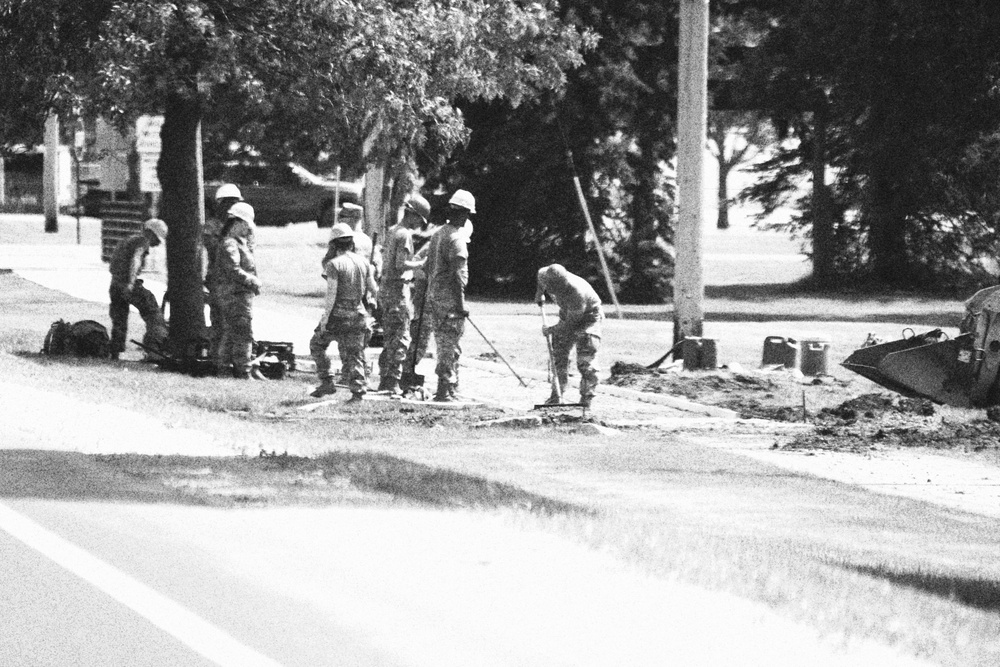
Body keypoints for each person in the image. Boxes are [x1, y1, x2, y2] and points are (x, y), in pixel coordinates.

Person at [310, 222, 379, 401]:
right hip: (358, 315)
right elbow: (374, 289)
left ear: (333, 244)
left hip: (338, 317)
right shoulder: (364, 262)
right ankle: (358, 393)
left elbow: (331, 294)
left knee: (317, 345)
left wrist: (325, 319)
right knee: (355, 354)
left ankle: (327, 380)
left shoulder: (333, 265)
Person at [424, 189, 475, 402]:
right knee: (449, 346)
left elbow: (428, 267)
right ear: (462, 213)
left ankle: (449, 387)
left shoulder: (438, 234)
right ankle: (445, 389)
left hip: (436, 297)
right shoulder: (456, 239)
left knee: (444, 342)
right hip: (450, 300)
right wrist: (461, 304)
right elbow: (456, 275)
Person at [376, 194, 430, 394]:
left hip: (387, 289)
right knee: (401, 337)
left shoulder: (392, 231)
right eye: (419, 220)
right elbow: (401, 264)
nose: (419, 225)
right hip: (398, 290)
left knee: (390, 336)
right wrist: (421, 264)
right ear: (413, 215)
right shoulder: (404, 234)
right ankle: (392, 383)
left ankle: (385, 380)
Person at [535, 263, 604, 407]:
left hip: (588, 319)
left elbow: (571, 325)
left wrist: (551, 330)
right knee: (558, 356)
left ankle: (585, 401)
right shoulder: (544, 274)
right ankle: (556, 396)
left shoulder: (576, 292)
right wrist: (539, 293)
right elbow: (540, 277)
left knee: (586, 362)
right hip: (567, 315)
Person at [215, 202, 265, 379]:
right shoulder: (231, 244)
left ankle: (225, 370)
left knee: (231, 332)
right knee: (244, 333)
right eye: (246, 225)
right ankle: (244, 372)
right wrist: (252, 280)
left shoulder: (237, 243)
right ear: (238, 223)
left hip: (237, 295)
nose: (248, 230)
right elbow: (233, 269)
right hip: (235, 295)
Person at [108, 218, 169, 360]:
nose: (156, 244)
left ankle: (115, 352)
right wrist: (130, 282)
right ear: (151, 233)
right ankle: (155, 349)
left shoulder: (127, 239)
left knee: (119, 319)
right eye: (157, 239)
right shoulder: (142, 241)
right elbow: (136, 258)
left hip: (115, 283)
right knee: (152, 310)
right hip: (127, 283)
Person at [205, 183, 243, 365]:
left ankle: (231, 359)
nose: (231, 206)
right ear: (219, 204)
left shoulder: (239, 225)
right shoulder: (212, 226)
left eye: (234, 203)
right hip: (217, 279)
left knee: (235, 321)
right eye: (228, 203)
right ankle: (217, 360)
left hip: (234, 280)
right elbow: (214, 250)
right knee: (219, 321)